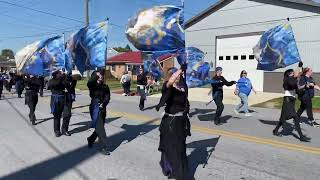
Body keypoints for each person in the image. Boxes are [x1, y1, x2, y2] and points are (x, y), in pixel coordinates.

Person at [156, 65, 190, 180]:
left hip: (181, 122)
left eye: (180, 75)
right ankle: (178, 175)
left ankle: (168, 167)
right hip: (170, 123)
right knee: (174, 150)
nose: (179, 76)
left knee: (180, 148)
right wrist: (180, 69)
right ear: (172, 76)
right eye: (177, 74)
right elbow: (170, 82)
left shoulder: (183, 87)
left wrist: (183, 70)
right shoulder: (167, 88)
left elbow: (186, 100)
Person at [273, 69, 311, 142]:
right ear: (290, 74)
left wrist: (305, 87)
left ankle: (275, 130)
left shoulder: (293, 80)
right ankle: (301, 136)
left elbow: (298, 91)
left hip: (291, 101)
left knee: (283, 118)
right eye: (293, 73)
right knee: (295, 117)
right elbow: (292, 84)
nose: (294, 74)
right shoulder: (287, 80)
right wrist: (297, 77)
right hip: (287, 101)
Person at [87, 70, 111, 156]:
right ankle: (103, 147)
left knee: (99, 127)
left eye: (101, 75)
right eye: (98, 75)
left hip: (102, 108)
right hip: (94, 108)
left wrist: (104, 103)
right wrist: (97, 75)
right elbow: (90, 82)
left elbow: (108, 97)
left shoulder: (105, 86)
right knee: (101, 129)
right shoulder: (92, 85)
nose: (101, 76)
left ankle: (91, 139)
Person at [48, 70, 72, 137]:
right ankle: (57, 130)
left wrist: (68, 78)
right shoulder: (52, 81)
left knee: (67, 114)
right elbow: (56, 84)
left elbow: (69, 88)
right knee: (57, 116)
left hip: (65, 99)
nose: (61, 74)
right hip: (56, 99)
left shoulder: (63, 80)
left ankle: (64, 130)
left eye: (61, 73)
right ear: (56, 75)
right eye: (60, 73)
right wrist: (62, 78)